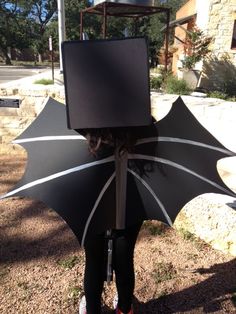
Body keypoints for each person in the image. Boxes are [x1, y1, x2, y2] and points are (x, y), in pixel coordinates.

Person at [77, 127, 144, 314]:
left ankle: (92, 310)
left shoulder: (83, 122)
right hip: (132, 198)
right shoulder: (143, 124)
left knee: (94, 258)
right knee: (124, 257)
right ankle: (124, 309)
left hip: (92, 198)